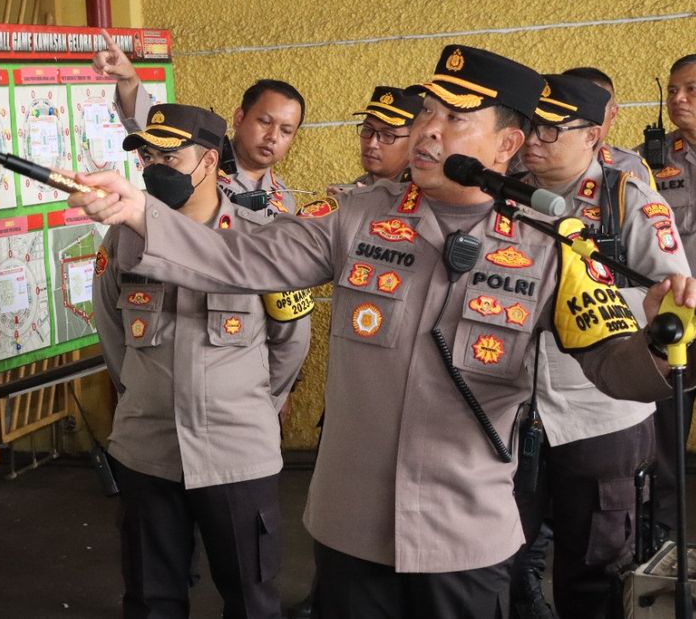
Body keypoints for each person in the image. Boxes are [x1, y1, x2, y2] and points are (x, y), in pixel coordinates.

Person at [69, 44, 696, 619]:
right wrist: (140, 213)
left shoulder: (551, 246)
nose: (427, 130)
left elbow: (620, 369)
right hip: (352, 528)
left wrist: (663, 336)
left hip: (464, 534)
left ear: (507, 145)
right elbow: (241, 259)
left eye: (454, 120)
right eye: (427, 112)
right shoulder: (356, 218)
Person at [95, 103, 310, 619]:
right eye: (148, 155)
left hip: (235, 450)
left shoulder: (263, 235)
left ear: (209, 161)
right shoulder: (124, 237)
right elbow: (111, 330)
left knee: (251, 598)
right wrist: (147, 396)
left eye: (170, 155)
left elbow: (291, 341)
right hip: (148, 448)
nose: (154, 167)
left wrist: (255, 403)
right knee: (151, 599)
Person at [509, 74, 681, 619]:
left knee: (597, 570)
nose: (533, 139)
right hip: (510, 412)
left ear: (593, 136)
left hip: (600, 414)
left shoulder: (630, 201)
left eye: (551, 129)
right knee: (503, 560)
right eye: (529, 125)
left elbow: (675, 305)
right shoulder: (501, 192)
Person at [93, 30, 305, 218]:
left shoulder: (283, 199)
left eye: (286, 131)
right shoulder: (197, 159)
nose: (273, 136)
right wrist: (129, 79)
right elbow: (149, 131)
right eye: (265, 122)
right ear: (239, 118)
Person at [638, 53, 696, 540]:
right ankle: (663, 534)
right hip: (679, 317)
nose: (678, 99)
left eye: (691, 89)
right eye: (674, 89)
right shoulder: (648, 161)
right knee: (668, 429)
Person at [561, 66, 655, 187]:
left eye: (592, 110)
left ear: (613, 114)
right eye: (571, 110)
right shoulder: (538, 160)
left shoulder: (631, 166)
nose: (582, 120)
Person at [345, 85, 421, 188]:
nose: (371, 144)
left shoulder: (424, 194)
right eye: (368, 129)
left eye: (388, 135)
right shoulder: (361, 184)